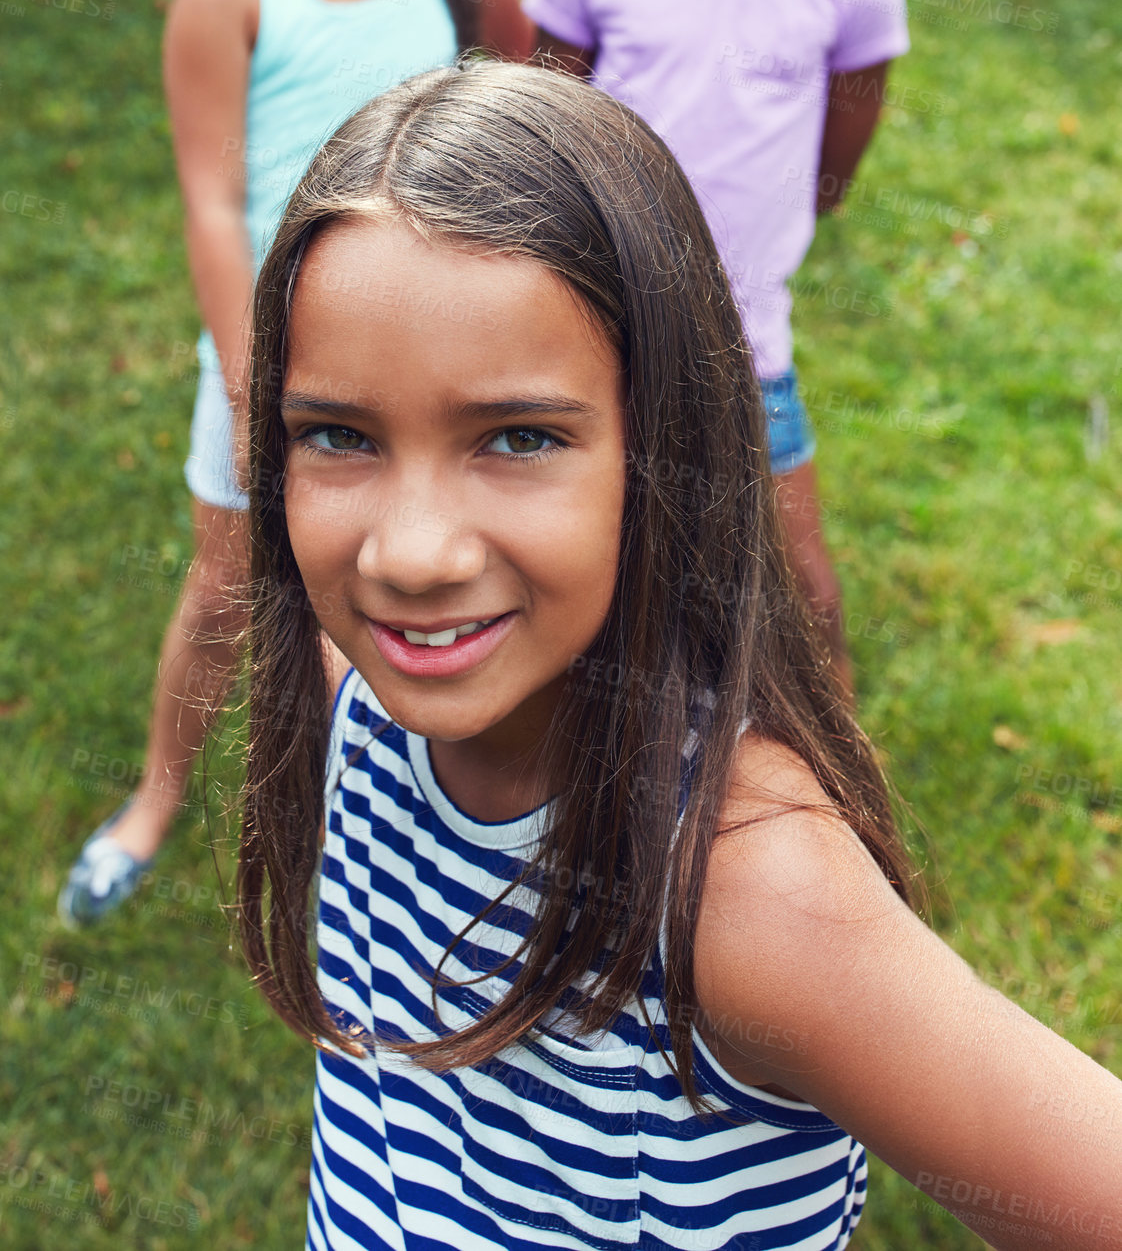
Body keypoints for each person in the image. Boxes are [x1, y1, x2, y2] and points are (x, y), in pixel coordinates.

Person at [239, 61, 1122, 1251]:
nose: (411, 552)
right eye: (339, 434)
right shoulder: (355, 703)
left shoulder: (743, 892)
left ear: (662, 445)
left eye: (515, 436)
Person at [58, 0, 531, 925]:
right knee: (225, 591)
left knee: (398, 589)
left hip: (429, 360)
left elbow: (516, 107)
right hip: (274, 358)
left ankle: (400, 835)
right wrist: (245, 366)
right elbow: (213, 199)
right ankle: (155, 797)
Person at [524, 0, 909, 701]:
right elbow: (541, 151)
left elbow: (831, 177)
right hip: (591, 340)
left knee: (798, 593)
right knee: (596, 585)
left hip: (748, 353)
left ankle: (834, 792)